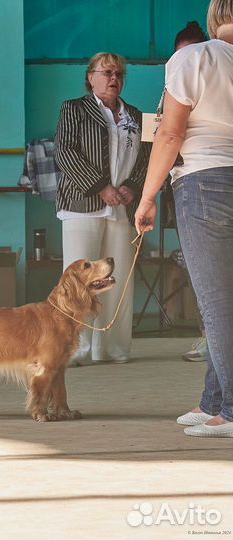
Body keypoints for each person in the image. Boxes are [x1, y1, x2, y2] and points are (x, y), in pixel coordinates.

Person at [135, 0, 233, 437]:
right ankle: (214, 401)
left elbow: (170, 132)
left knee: (216, 304)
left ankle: (230, 409)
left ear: (215, 18)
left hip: (203, 181)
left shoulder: (193, 57)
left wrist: (147, 195)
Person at [55, 52, 151, 366]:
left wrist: (131, 187)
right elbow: (65, 153)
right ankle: (76, 349)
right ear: (90, 77)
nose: (114, 79)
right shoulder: (73, 109)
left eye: (119, 74)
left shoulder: (136, 115)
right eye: (107, 72)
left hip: (122, 207)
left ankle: (113, 349)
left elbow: (147, 157)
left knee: (117, 278)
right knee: (78, 282)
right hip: (81, 206)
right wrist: (101, 187)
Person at [172, 21, 209, 363]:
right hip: (189, 181)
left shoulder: (213, 76)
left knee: (212, 285)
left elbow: (168, 137)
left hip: (201, 184)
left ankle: (222, 404)